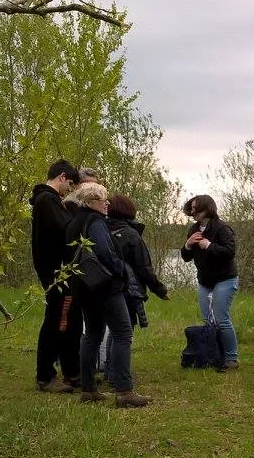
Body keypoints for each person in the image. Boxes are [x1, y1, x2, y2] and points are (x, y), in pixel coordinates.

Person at [65, 183, 149, 408]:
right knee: (123, 333)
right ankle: (124, 391)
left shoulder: (74, 223)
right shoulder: (96, 222)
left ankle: (88, 389)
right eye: (103, 199)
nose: (107, 203)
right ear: (91, 202)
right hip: (105, 286)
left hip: (84, 287)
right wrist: (121, 270)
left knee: (92, 334)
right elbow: (105, 252)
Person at [30, 159, 82, 393]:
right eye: (69, 185)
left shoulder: (49, 200)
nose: (69, 190)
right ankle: (45, 376)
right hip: (56, 273)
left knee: (67, 321)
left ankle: (71, 371)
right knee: (56, 321)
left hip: (61, 272)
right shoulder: (46, 200)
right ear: (62, 177)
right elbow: (66, 229)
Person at [181, 194, 240, 370]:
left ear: (206, 209)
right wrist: (188, 245)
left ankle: (231, 358)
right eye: (191, 209)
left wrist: (208, 245)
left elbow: (229, 252)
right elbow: (186, 257)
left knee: (221, 319)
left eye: (195, 208)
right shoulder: (193, 229)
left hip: (225, 278)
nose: (192, 212)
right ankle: (214, 355)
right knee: (208, 320)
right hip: (204, 281)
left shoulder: (222, 228)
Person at [106, 193, 169, 351]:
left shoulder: (100, 230)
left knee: (113, 331)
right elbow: (144, 267)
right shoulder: (131, 235)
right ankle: (118, 367)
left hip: (104, 287)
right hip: (127, 289)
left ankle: (109, 364)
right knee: (124, 332)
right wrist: (160, 289)